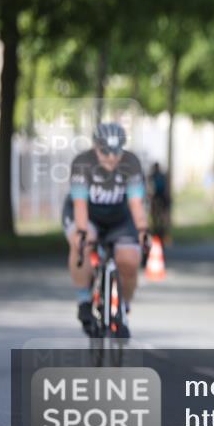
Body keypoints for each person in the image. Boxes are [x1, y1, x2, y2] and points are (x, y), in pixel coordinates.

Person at [63, 122, 149, 338]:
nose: (111, 157)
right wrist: (82, 234)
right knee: (82, 242)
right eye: (105, 151)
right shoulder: (83, 163)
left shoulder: (131, 163)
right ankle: (84, 300)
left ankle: (124, 309)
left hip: (119, 218)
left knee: (129, 260)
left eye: (116, 151)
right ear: (95, 147)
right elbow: (80, 206)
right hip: (87, 215)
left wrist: (142, 231)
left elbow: (137, 206)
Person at [148, 162, 170, 241]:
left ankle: (162, 231)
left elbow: (166, 187)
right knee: (155, 215)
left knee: (162, 215)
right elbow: (149, 187)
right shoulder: (152, 176)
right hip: (155, 196)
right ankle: (155, 230)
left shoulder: (161, 176)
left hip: (161, 196)